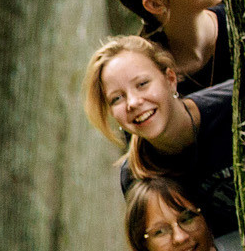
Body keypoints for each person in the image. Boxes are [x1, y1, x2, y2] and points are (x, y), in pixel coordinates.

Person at [81, 35, 236, 236]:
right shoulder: (136, 176)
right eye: (117, 98)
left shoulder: (232, 105)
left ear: (170, 80)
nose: (133, 103)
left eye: (142, 84)